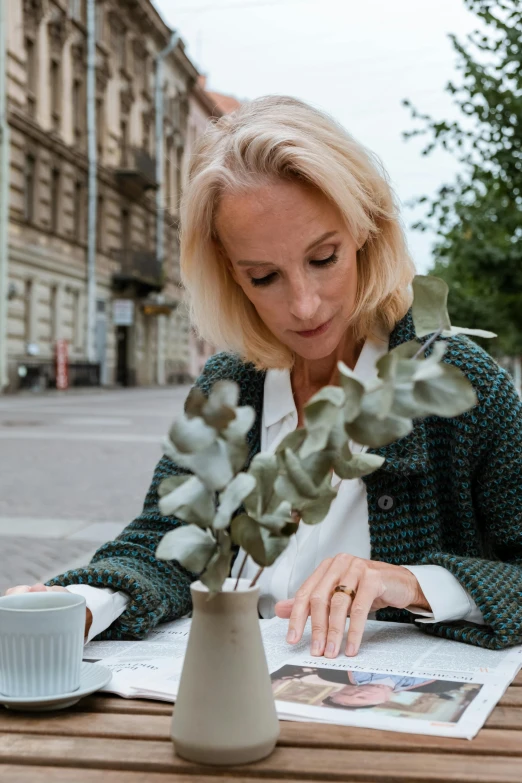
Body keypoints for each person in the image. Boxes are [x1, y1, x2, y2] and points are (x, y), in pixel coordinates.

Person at [7, 97, 522, 658]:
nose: (303, 306)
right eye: (264, 276)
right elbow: (164, 540)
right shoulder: (229, 385)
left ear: (367, 233)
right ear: (230, 274)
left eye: (324, 258)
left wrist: (411, 583)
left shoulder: (458, 382)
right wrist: (83, 603)